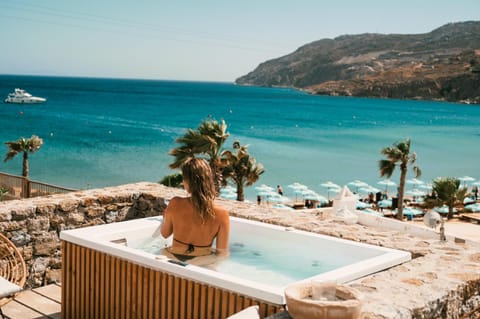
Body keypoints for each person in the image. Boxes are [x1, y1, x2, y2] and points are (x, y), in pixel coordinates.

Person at [160, 158, 230, 263]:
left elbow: (165, 234)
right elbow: (222, 252)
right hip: (201, 261)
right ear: (208, 180)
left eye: (184, 178)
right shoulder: (222, 214)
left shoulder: (175, 203)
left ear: (187, 181)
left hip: (172, 257)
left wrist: (165, 217)